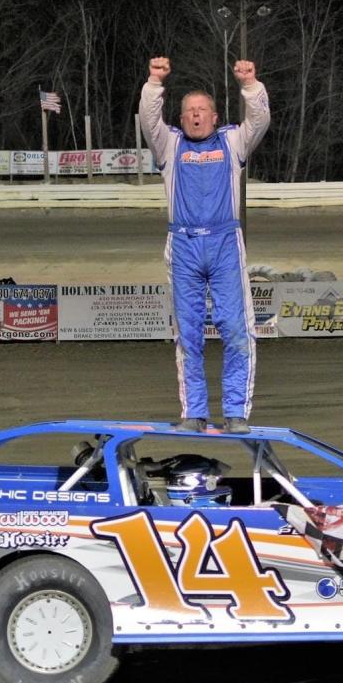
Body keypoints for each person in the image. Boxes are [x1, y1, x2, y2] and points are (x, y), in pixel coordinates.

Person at [138, 55, 270, 435]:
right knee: (189, 333)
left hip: (226, 242)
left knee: (236, 329)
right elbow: (149, 119)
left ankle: (236, 412)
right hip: (182, 246)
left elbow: (260, 119)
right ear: (181, 120)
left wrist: (250, 86)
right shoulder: (169, 145)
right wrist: (155, 83)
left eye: (203, 110)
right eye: (190, 111)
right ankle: (194, 411)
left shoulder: (233, 140)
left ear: (215, 116)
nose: (196, 116)